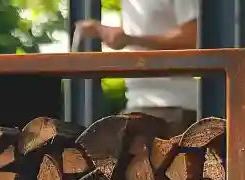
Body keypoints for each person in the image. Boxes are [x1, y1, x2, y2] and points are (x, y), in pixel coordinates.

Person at [77, 0, 199, 135]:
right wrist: (105, 31)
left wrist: (131, 39)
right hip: (137, 101)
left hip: (172, 103)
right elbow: (137, 34)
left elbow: (193, 37)